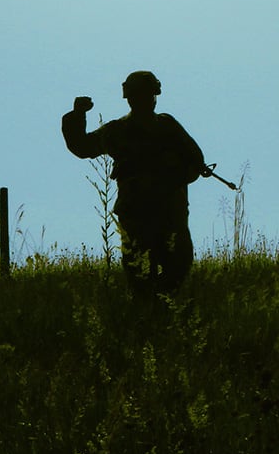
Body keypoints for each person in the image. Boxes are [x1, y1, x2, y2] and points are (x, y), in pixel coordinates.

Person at [62, 71, 209, 297]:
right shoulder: (118, 131)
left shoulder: (166, 125)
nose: (143, 100)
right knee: (140, 275)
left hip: (169, 212)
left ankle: (160, 306)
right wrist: (77, 116)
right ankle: (150, 311)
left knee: (177, 265)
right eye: (140, 96)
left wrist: (178, 175)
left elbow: (196, 160)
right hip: (138, 214)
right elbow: (82, 147)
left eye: (146, 95)